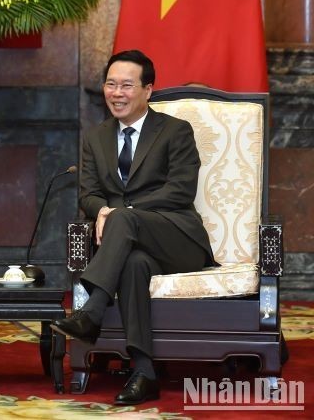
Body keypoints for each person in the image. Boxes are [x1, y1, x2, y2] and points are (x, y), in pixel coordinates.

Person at [50, 49, 216, 405]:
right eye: (110, 84)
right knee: (134, 264)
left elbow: (180, 189)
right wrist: (104, 209)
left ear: (148, 90)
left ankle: (91, 312)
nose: (117, 93)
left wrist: (118, 211)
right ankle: (144, 372)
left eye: (127, 85)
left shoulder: (175, 131)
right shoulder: (97, 137)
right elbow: (88, 194)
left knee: (122, 217)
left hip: (178, 239)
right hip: (130, 246)